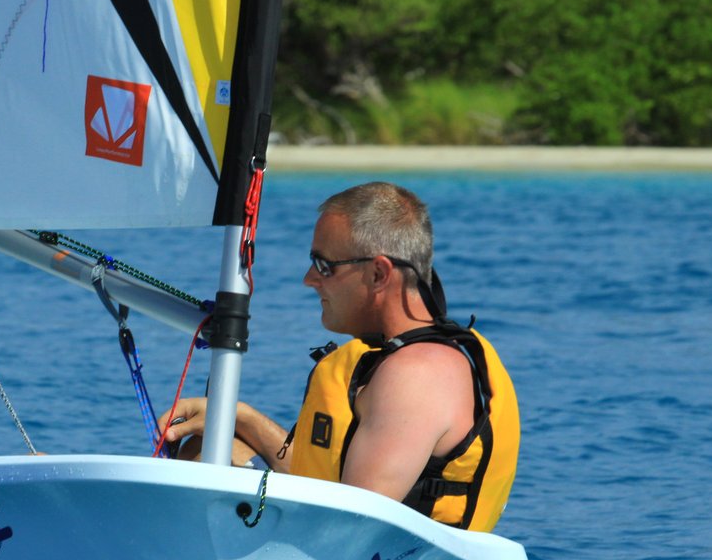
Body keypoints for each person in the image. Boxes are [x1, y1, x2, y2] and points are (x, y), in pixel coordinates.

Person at [159, 182, 519, 532]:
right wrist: (239, 418)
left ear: (379, 273)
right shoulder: (409, 356)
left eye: (324, 265)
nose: (308, 279)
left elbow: (350, 527)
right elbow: (333, 483)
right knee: (217, 444)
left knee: (204, 463)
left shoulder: (417, 374)